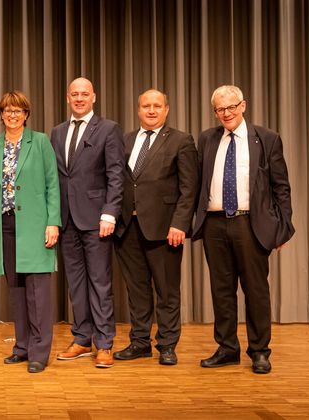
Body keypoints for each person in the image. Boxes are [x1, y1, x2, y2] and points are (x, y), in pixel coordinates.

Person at [193, 85, 294, 374]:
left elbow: (281, 187)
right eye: (220, 109)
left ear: (243, 106)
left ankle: (259, 351)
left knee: (255, 290)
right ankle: (227, 348)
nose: (226, 113)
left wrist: (283, 228)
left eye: (231, 107)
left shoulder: (267, 138)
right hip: (214, 224)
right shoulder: (207, 138)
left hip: (250, 224)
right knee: (221, 290)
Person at [112, 89, 199, 365]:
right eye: (146, 106)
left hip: (165, 229)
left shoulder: (181, 141)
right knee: (136, 290)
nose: (151, 110)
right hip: (128, 228)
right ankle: (140, 343)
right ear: (138, 110)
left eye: (157, 106)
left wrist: (180, 224)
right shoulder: (125, 140)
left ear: (166, 109)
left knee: (167, 290)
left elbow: (189, 188)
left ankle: (167, 345)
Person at [0, 90, 60, 373]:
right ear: (1, 115)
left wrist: (53, 222)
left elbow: (52, 184)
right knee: (16, 291)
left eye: (18, 110)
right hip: (5, 226)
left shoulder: (40, 142)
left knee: (38, 293)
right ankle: (22, 347)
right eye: (7, 110)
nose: (12, 115)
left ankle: (39, 352)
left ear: (26, 114)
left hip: (36, 226)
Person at [51, 77, 124, 368]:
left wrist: (110, 213)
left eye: (84, 94)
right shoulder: (57, 132)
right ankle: (82, 339)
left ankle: (104, 343)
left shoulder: (108, 129)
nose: (79, 98)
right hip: (66, 220)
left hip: (97, 220)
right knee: (76, 284)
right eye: (75, 94)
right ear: (68, 98)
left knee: (100, 283)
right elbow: (56, 178)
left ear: (94, 97)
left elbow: (116, 174)